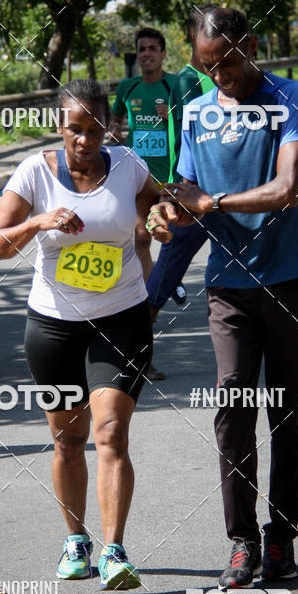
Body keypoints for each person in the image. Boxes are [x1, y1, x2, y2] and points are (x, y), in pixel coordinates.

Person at [147, 7, 298, 590]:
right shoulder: (195, 113)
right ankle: (242, 541)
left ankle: (281, 539)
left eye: (224, 61)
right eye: (204, 66)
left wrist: (214, 204)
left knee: (290, 415)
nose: (216, 75)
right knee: (232, 411)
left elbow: (287, 189)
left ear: (250, 44)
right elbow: (185, 187)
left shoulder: (290, 97)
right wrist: (167, 211)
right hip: (229, 287)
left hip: (294, 281)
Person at [0, 79, 175, 591]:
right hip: (52, 325)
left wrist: (158, 221)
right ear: (60, 127)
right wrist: (39, 221)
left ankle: (115, 552)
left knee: (111, 432)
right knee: (68, 441)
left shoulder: (129, 165)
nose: (85, 140)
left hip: (121, 318)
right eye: (75, 129)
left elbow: (159, 206)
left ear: (108, 128)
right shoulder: (34, 173)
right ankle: (76, 541)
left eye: (95, 129)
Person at [110, 27, 177, 380]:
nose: (147, 54)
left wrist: (172, 118)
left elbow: (190, 126)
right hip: (139, 180)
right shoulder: (127, 88)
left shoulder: (174, 86)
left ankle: (163, 284)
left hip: (174, 181)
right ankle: (148, 297)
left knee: (173, 245)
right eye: (141, 49)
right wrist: (114, 130)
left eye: (153, 48)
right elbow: (114, 119)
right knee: (141, 239)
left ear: (163, 54)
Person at [146, 5, 217, 322]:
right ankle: (130, 357)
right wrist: (177, 196)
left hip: (221, 198)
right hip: (191, 195)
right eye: (216, 32)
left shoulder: (220, 78)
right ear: (195, 35)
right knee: (163, 278)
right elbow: (191, 143)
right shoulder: (188, 81)